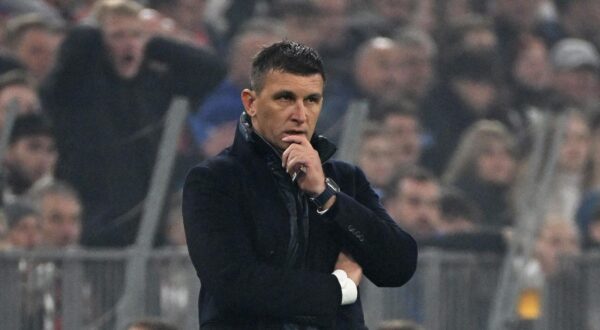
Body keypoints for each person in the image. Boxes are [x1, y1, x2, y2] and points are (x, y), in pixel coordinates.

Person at [182, 41, 417, 329]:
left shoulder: (345, 181)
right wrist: (339, 289)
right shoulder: (214, 180)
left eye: (311, 100)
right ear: (251, 103)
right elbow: (233, 283)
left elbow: (398, 266)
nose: (300, 114)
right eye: (285, 98)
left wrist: (327, 197)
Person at [39, 0, 225, 247]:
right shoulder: (79, 86)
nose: (129, 43)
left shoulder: (155, 85)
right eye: (118, 36)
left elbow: (212, 69)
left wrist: (156, 43)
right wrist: (97, 26)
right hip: (92, 217)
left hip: (148, 219)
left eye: (136, 35)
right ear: (101, 43)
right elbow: (75, 54)